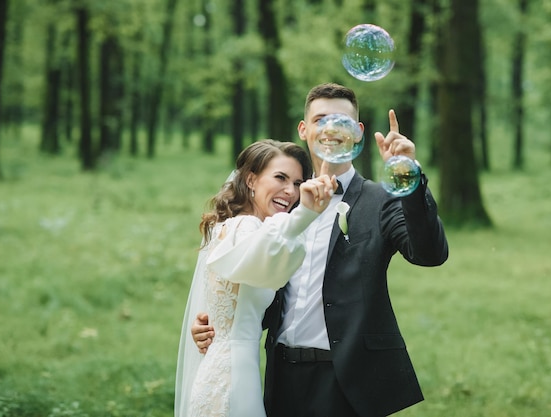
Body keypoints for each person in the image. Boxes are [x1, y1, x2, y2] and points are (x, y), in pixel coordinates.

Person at [192, 83, 449, 417]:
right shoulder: (284, 203)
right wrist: (217, 324)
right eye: (320, 119)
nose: (330, 129)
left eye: (341, 121)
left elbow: (430, 253)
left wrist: (407, 175)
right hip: (280, 376)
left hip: (348, 383)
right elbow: (254, 271)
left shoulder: (380, 200)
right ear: (304, 129)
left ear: (358, 133)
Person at [175, 139, 338, 417]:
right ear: (251, 179)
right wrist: (305, 214)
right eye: (280, 178)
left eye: (298, 183)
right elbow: (267, 247)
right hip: (232, 379)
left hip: (232, 370)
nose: (290, 191)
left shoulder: (236, 228)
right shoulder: (245, 227)